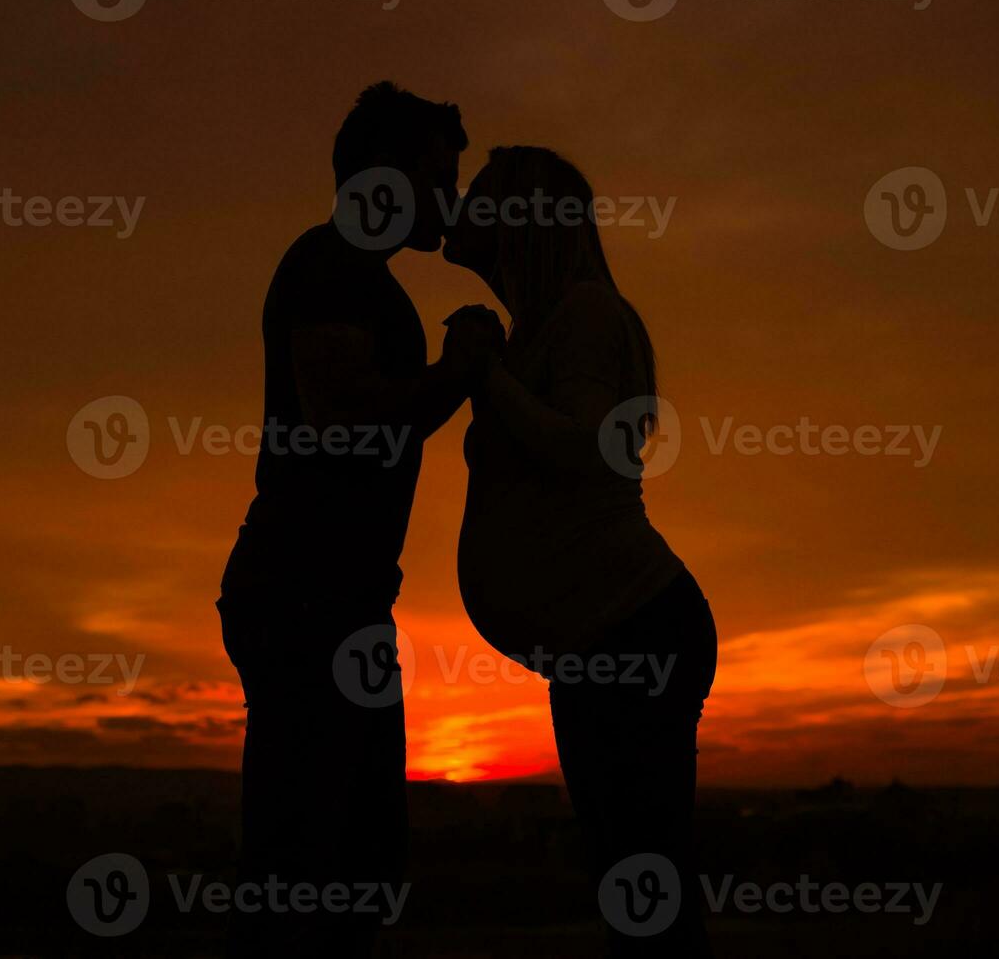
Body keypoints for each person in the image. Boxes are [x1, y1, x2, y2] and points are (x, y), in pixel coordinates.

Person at [217, 82, 487, 957]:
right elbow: (348, 419)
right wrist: (461, 370)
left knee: (360, 859)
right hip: (304, 599)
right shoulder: (326, 267)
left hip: (347, 604)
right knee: (303, 864)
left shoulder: (359, 279)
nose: (449, 201)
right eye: (441, 178)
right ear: (392, 177)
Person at [442, 146, 718, 957]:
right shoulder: (545, 328)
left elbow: (589, 449)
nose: (462, 201)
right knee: (631, 888)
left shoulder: (586, 315)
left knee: (643, 890)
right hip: (597, 645)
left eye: (482, 192)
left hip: (628, 632)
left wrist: (484, 374)